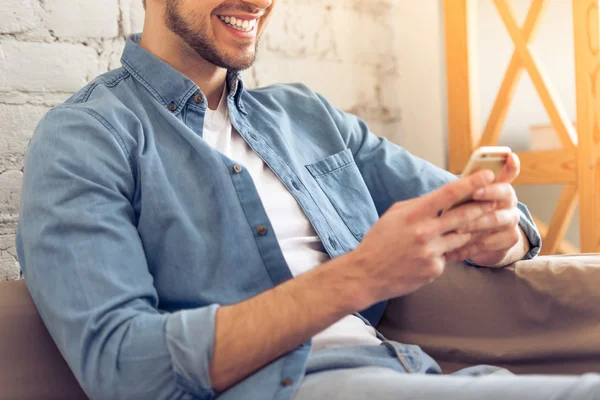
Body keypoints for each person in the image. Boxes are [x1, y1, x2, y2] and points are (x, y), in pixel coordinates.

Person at [15, 0, 599, 399]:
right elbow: (121, 365)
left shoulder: (306, 116)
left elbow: (472, 206)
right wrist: (357, 276)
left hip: (401, 369)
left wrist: (502, 235)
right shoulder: (88, 138)